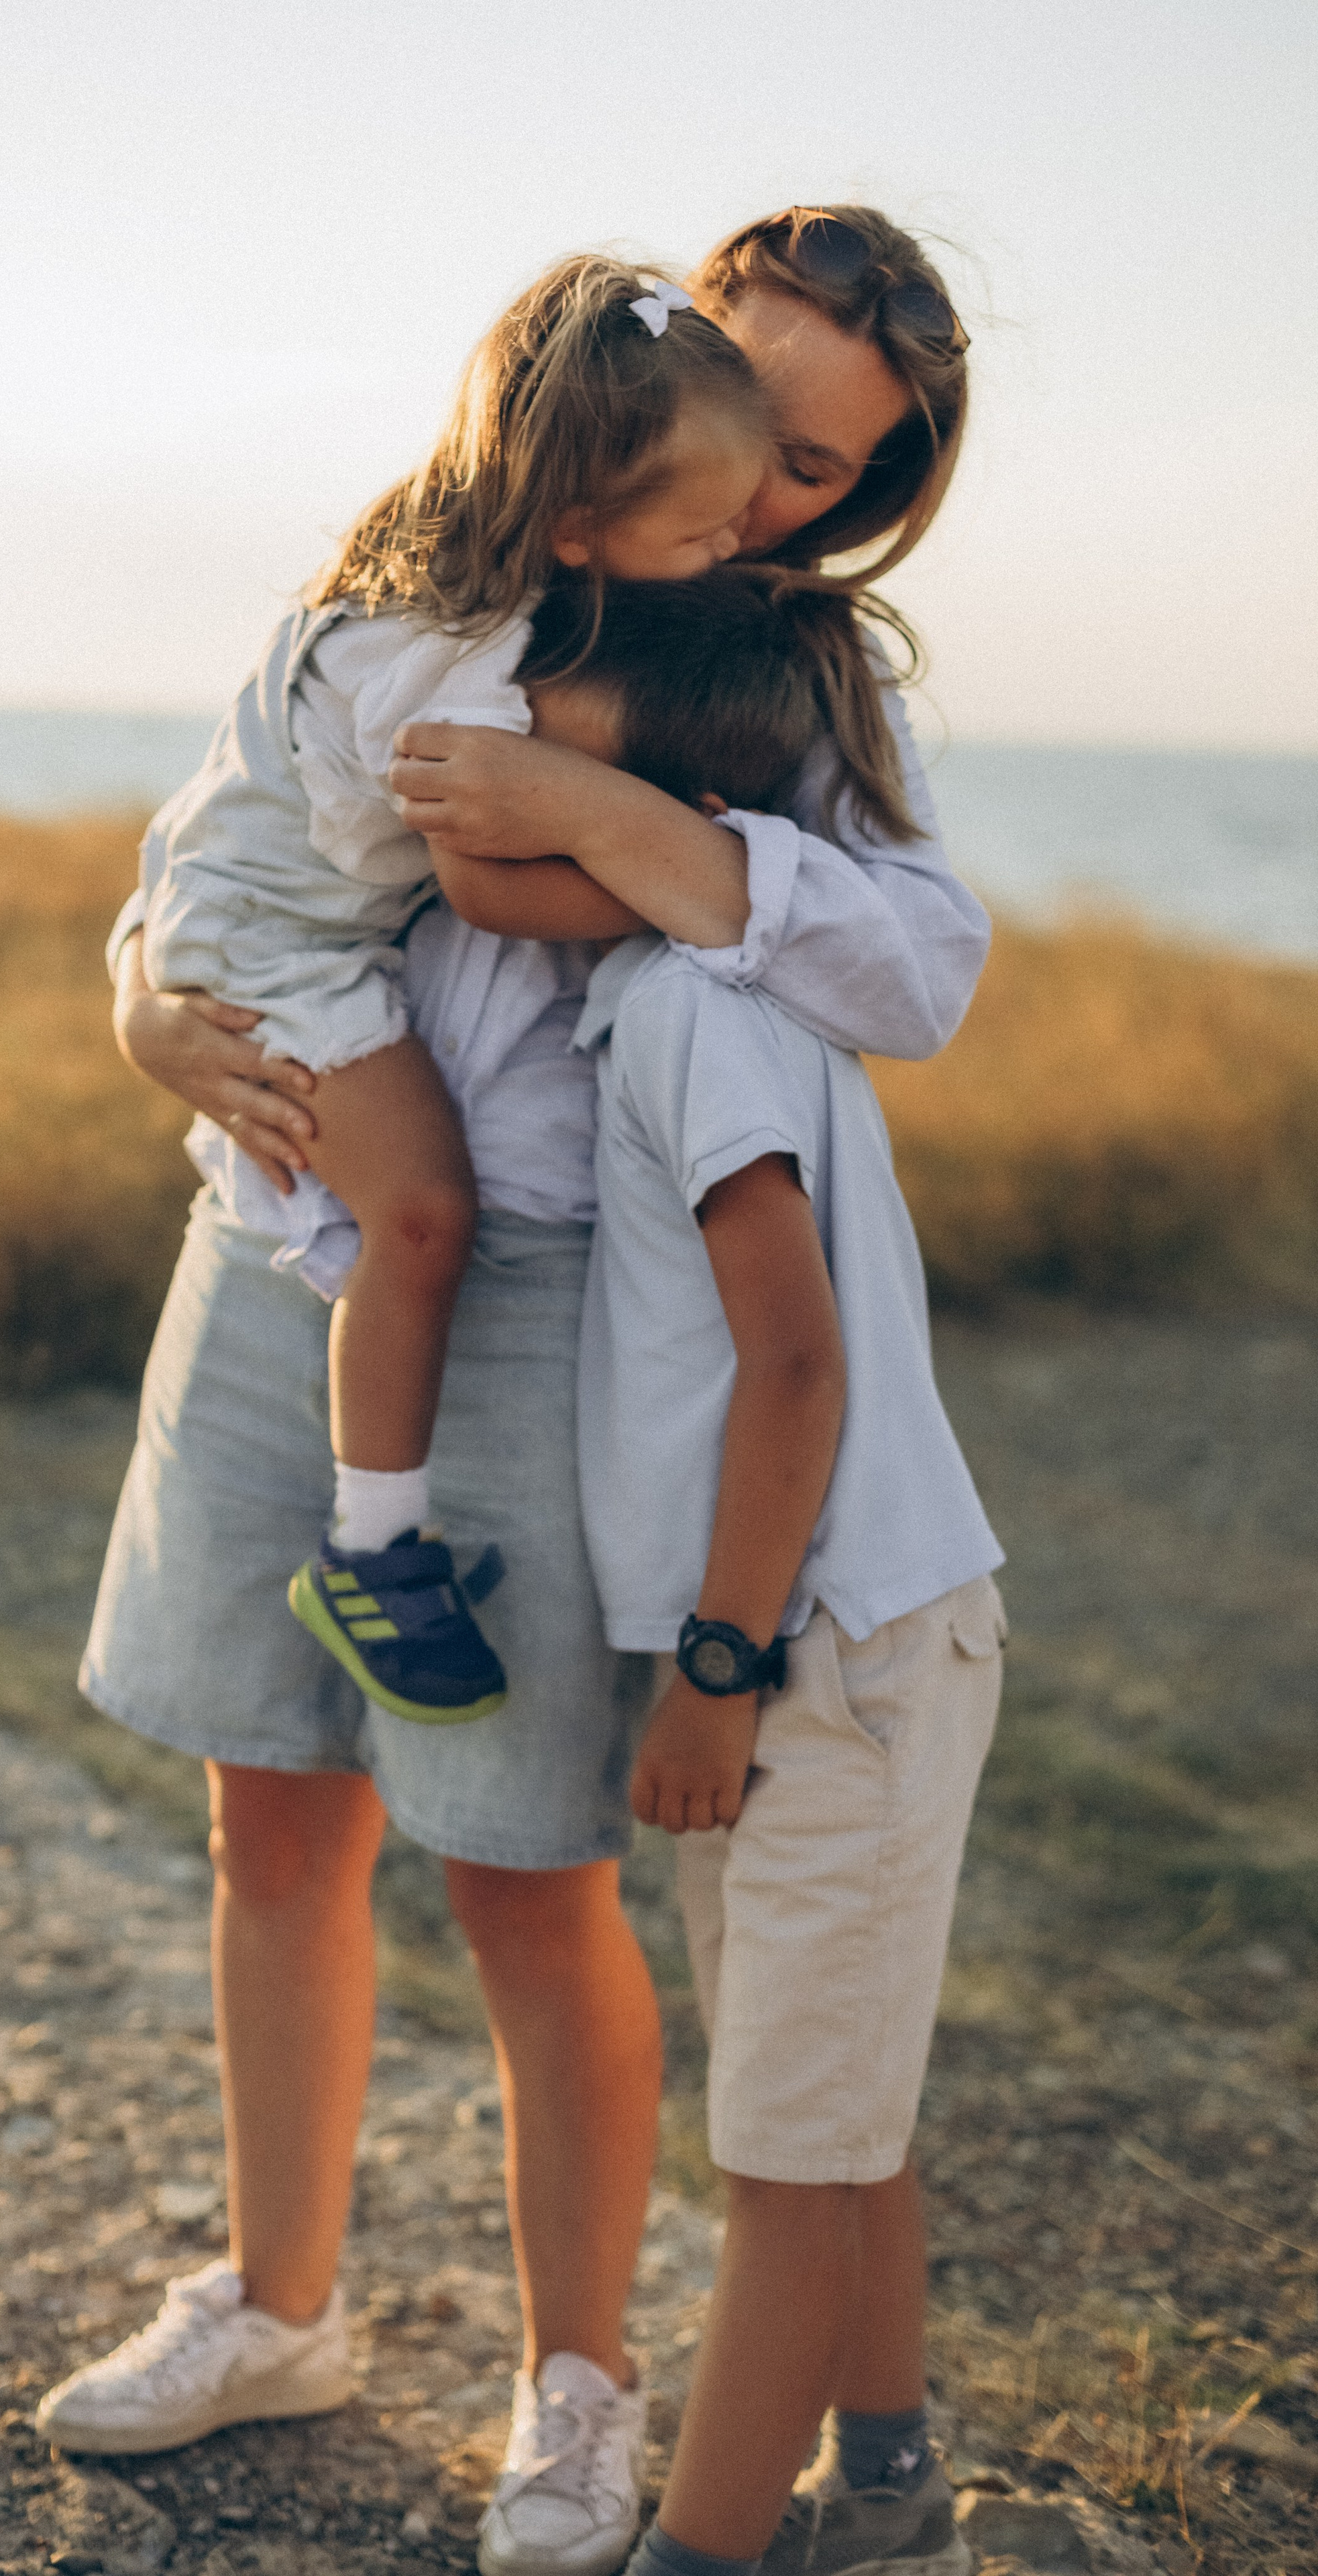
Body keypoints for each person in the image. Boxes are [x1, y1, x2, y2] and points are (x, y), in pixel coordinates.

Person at [40, 206, 977, 2576]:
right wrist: (142, 994)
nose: (765, 494)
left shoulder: (794, 673)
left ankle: (581, 2385)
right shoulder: (481, 534)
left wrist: (617, 824)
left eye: (820, 468)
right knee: (275, 1807)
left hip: (540, 1290)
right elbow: (235, 820)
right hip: (275, 1238)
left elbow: (917, 964)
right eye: (747, 426)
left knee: (524, 1867)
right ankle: (277, 2303)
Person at [460, 592, 1003, 2576]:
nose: (489, 810)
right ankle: (886, 2490)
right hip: (831, 1634)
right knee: (835, 2097)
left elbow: (797, 1357)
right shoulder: (673, 993)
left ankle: (709, 2551)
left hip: (817, 1647)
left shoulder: (696, 1006)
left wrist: (714, 1661)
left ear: (668, 818)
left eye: (547, 785)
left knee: (783, 2159)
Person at [138, 253, 771, 1727]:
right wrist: (690, 890)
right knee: (423, 1213)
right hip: (269, 952)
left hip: (243, 909)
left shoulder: (422, 559)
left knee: (415, 1207)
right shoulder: (444, 656)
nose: (738, 542)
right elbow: (488, 888)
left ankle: (377, 1535)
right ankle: (371, 1552)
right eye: (707, 526)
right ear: (574, 524)